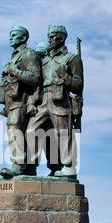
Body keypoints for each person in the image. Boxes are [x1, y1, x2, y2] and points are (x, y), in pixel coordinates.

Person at [26, 25, 83, 179]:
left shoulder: (72, 59)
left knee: (63, 134)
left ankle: (69, 167)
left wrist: (65, 77)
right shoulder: (45, 60)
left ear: (62, 38)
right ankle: (30, 167)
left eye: (53, 36)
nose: (50, 39)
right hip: (43, 100)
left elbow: (78, 86)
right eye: (49, 36)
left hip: (60, 100)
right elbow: (38, 82)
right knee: (31, 131)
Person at [0, 26, 41, 178]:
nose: (10, 38)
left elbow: (35, 77)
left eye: (14, 35)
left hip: (21, 100)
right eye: (10, 35)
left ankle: (18, 165)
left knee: (14, 130)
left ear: (23, 38)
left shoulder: (28, 53)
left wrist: (14, 71)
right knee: (19, 132)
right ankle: (28, 168)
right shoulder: (15, 55)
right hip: (12, 101)